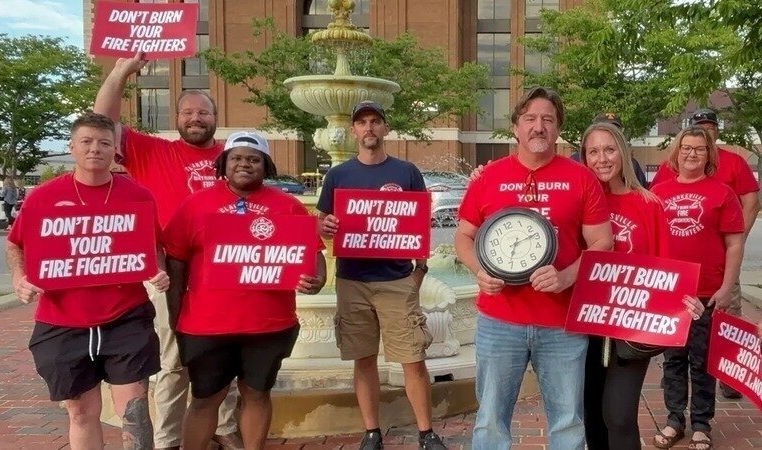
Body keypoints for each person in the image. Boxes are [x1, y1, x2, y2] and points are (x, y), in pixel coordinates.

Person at [94, 52, 240, 449]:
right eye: (188, 112)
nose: (196, 118)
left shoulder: (235, 157)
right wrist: (121, 71)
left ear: (215, 117)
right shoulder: (154, 151)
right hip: (169, 268)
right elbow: (102, 122)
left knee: (224, 352)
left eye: (203, 112)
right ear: (176, 119)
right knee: (173, 358)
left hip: (224, 270)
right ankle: (168, 438)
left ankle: (225, 428)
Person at [455, 86, 613, 450]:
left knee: (568, 424)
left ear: (558, 129)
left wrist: (567, 276)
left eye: (547, 119)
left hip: (561, 323)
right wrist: (479, 270)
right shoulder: (489, 177)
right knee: (490, 422)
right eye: (530, 119)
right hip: (499, 320)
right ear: (515, 127)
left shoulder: (581, 178)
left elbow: (602, 242)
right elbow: (464, 236)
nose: (538, 126)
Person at [5, 112, 170, 449]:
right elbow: (15, 243)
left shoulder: (138, 195)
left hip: (125, 316)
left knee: (135, 412)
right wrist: (20, 278)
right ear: (72, 147)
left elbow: (153, 245)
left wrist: (158, 269)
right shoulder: (44, 197)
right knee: (81, 412)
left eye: (104, 143)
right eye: (87, 141)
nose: (95, 149)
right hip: (62, 320)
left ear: (115, 150)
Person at [164, 131, 326, 450]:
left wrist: (317, 279)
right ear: (223, 163)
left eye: (254, 159)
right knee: (205, 398)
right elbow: (176, 261)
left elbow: (314, 253)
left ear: (266, 166)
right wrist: (176, 317)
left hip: (269, 324)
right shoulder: (196, 205)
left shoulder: (288, 206)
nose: (244, 164)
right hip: (206, 325)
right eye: (236, 158)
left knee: (257, 394)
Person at [317, 101, 447, 450]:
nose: (369, 128)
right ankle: (372, 432)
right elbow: (321, 221)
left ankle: (426, 433)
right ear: (354, 131)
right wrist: (325, 227)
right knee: (363, 359)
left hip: (396, 280)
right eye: (362, 122)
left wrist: (420, 269)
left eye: (375, 121)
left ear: (386, 129)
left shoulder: (406, 172)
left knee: (413, 359)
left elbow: (420, 225)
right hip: (353, 280)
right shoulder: (338, 175)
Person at [579, 122, 704, 450]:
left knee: (619, 415)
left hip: (632, 327)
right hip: (585, 323)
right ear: (584, 157)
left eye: (610, 149)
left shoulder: (649, 204)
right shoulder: (578, 201)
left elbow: (667, 269)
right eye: (594, 151)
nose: (602, 159)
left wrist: (686, 301)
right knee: (591, 413)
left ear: (623, 152)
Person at [651, 109, 760, 400]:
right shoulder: (660, 189)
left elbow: (748, 209)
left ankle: (714, 400)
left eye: (700, 148)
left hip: (711, 285)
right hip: (672, 286)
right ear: (678, 151)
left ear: (710, 150)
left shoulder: (726, 181)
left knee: (708, 350)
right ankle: (674, 412)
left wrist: (728, 278)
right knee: (674, 355)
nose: (692, 153)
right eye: (687, 148)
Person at [569, 112, 648, 187]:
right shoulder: (575, 161)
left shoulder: (632, 165)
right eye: (604, 128)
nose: (602, 159)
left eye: (615, 129)